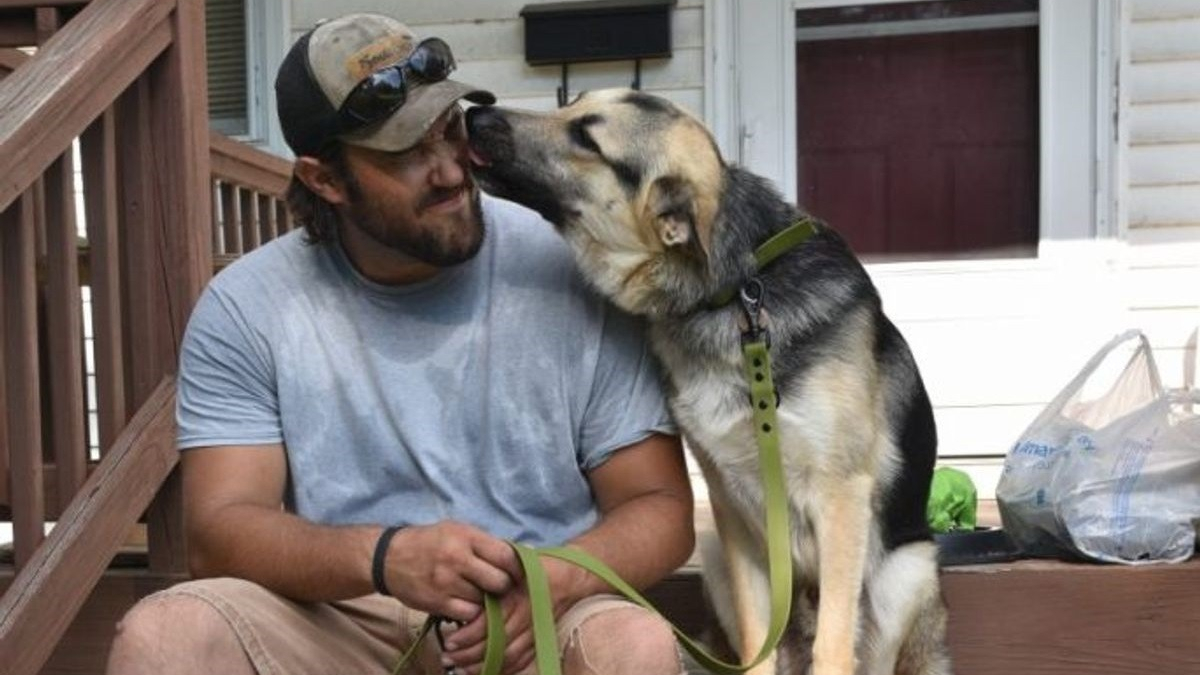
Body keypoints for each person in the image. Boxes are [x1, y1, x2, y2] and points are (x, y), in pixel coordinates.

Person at [105, 13, 694, 675]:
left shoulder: (568, 269)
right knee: (167, 635)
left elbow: (660, 508)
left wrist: (556, 578)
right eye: (405, 152)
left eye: (450, 130)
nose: (449, 171)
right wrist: (383, 557)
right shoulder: (247, 307)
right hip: (340, 610)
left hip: (538, 608)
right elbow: (218, 533)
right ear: (325, 179)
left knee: (633, 645)